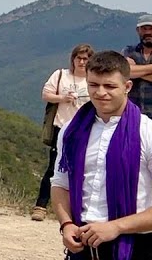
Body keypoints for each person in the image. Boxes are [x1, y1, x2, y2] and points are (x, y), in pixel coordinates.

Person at [51, 50, 152, 259]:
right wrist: (67, 223)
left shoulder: (147, 132)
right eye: (93, 85)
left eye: (110, 86)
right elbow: (61, 184)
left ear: (127, 87)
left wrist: (116, 227)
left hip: (136, 246)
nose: (100, 92)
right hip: (81, 242)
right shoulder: (71, 131)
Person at [33, 44, 93, 221]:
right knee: (54, 167)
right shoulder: (61, 75)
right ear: (73, 59)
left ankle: (77, 209)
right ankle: (41, 205)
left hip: (86, 128)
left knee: (84, 168)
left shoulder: (92, 79)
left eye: (86, 59)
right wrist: (63, 98)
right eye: (79, 58)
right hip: (62, 127)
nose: (82, 62)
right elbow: (46, 94)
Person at [122, 16, 152, 119]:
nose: (148, 32)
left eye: (151, 28)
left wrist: (136, 71)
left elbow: (129, 71)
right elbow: (123, 72)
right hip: (133, 114)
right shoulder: (129, 51)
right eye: (144, 28)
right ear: (138, 30)